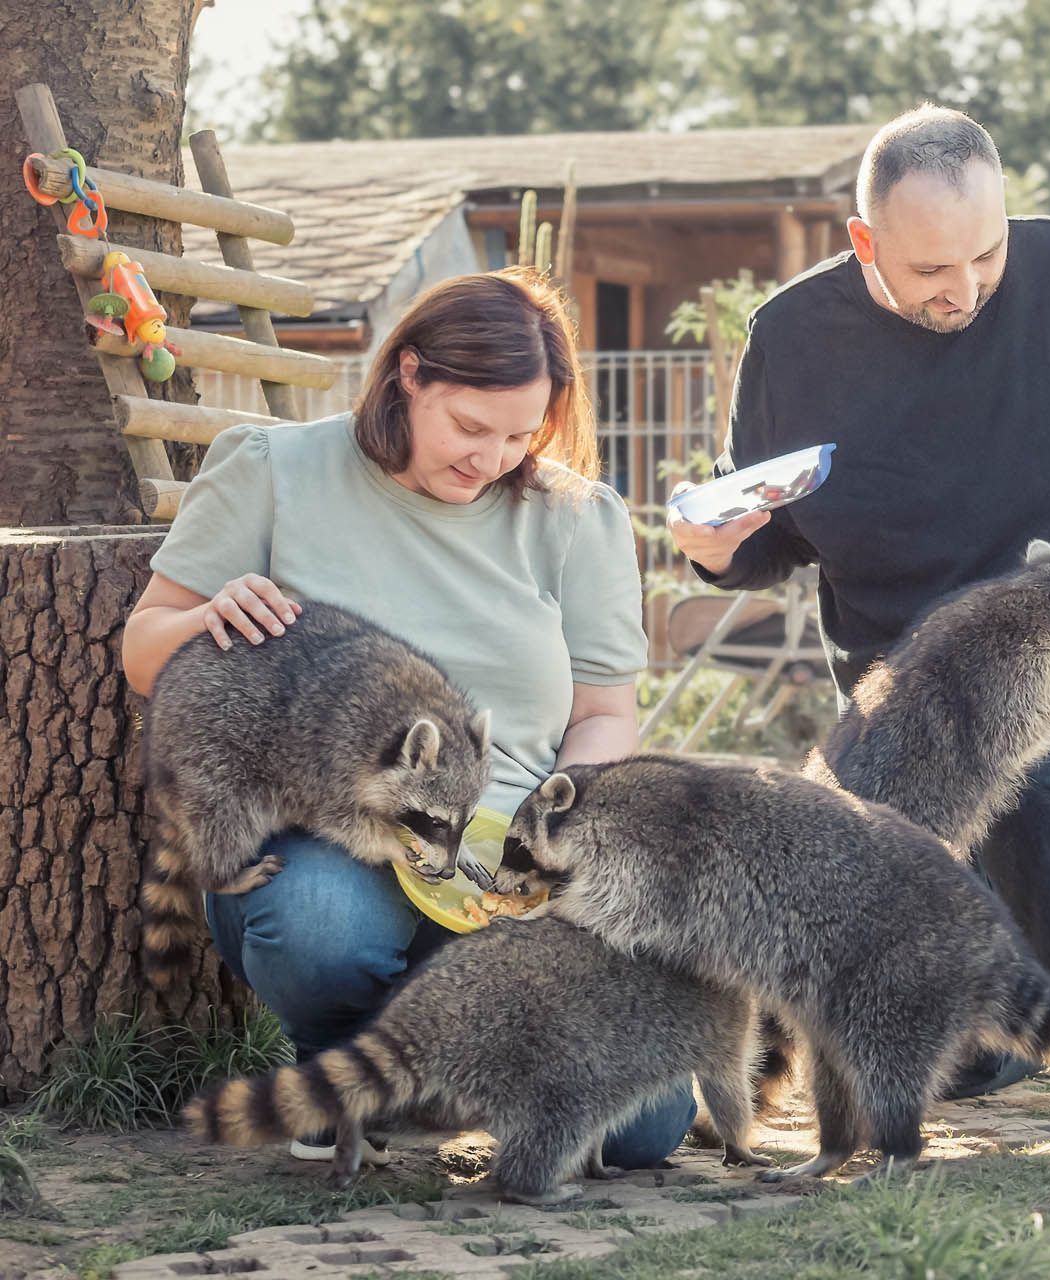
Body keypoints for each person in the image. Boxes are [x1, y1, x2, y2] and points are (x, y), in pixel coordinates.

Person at [669, 105, 1050, 1107]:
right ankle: (989, 1038)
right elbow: (770, 536)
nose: (968, 289)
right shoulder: (791, 338)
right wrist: (716, 550)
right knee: (936, 997)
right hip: (903, 680)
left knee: (1037, 759)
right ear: (865, 242)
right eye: (932, 272)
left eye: (986, 254)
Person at [119, 268, 692, 1167]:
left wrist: (556, 831)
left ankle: (409, 1078)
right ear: (409, 375)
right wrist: (206, 620)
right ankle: (352, 1071)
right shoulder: (272, 469)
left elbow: (605, 715)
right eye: (470, 427)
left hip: (506, 852)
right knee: (318, 932)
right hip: (335, 838)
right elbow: (145, 649)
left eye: (518, 435)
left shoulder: (577, 519)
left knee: (643, 1132)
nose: (491, 458)